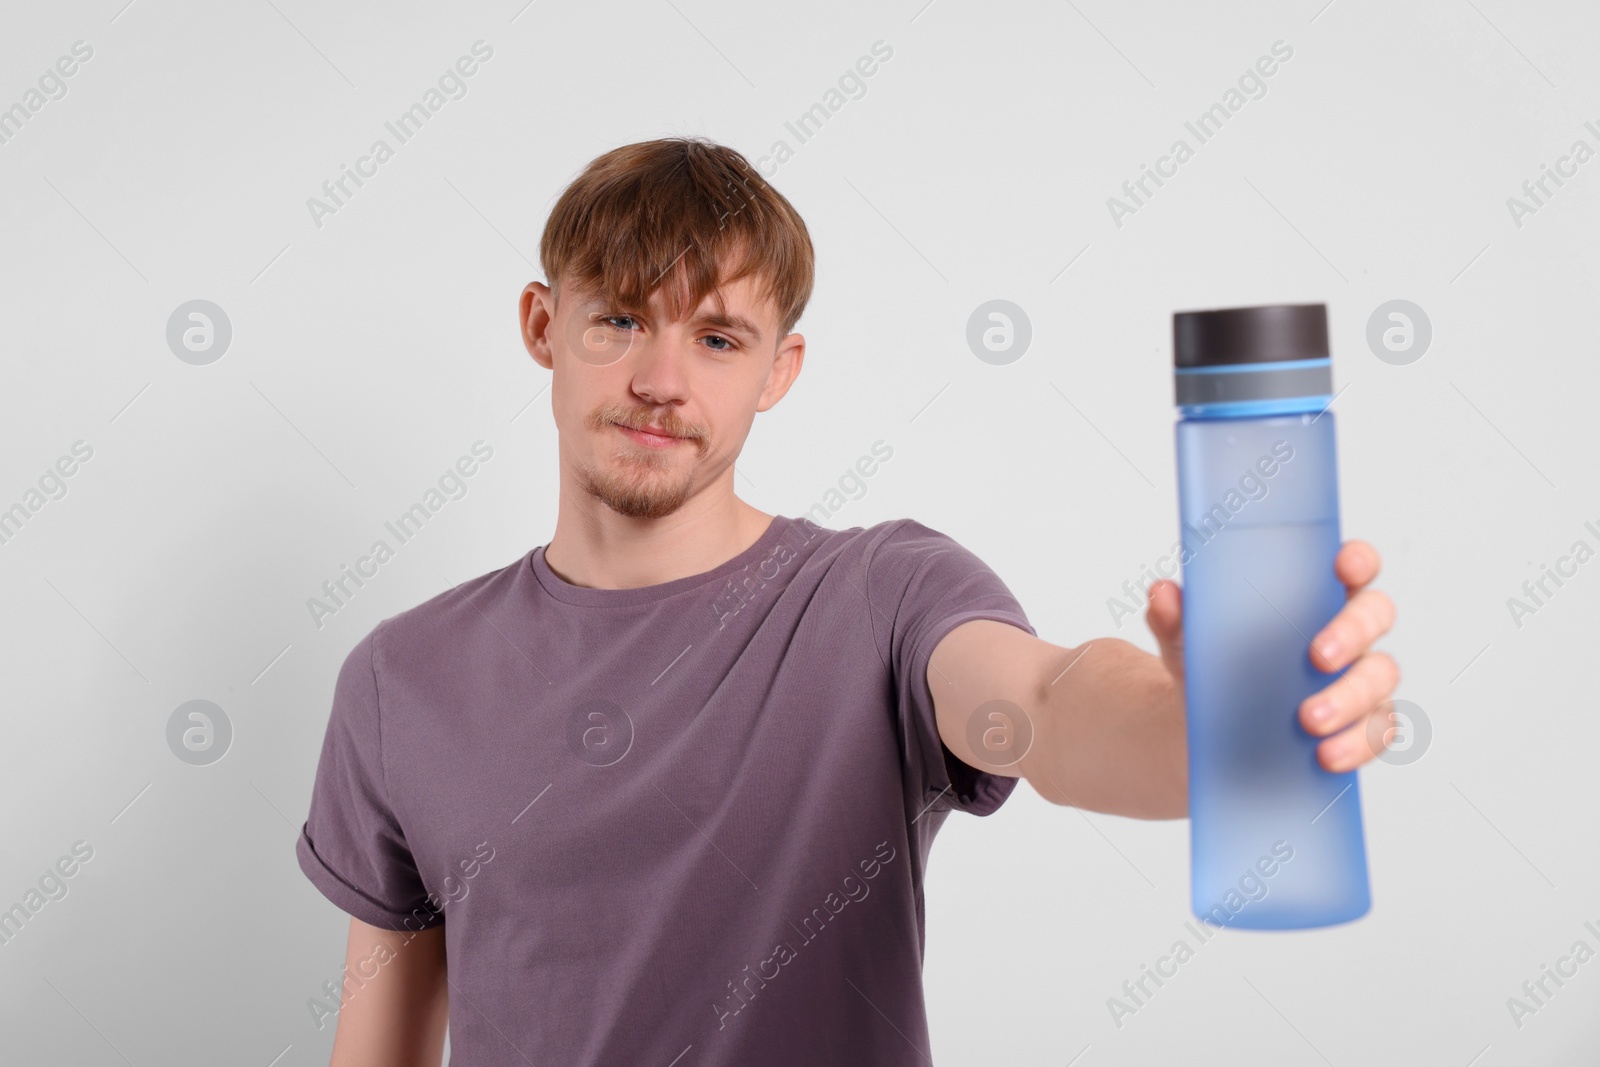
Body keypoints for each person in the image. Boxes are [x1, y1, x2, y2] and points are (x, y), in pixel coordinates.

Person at [295, 136, 1400, 1066]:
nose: (661, 380)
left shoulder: (880, 596)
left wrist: (1213, 721)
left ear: (779, 369)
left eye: (718, 337)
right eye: (621, 320)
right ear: (544, 326)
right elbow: (379, 1040)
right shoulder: (402, 676)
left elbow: (1050, 703)